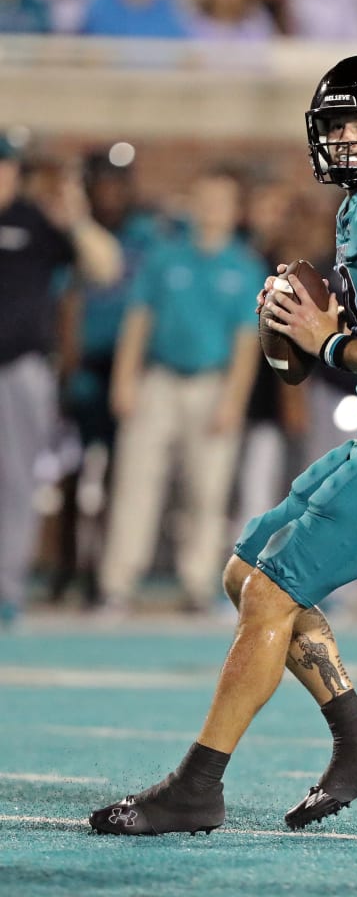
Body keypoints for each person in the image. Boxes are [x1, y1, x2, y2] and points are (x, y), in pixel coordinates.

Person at [89, 53, 357, 836]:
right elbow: (319, 356)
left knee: (273, 592)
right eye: (336, 125)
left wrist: (322, 337)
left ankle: (196, 786)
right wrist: (294, 328)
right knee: (246, 571)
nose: (345, 139)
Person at [97, 164, 262, 615]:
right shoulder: (165, 257)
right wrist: (124, 380)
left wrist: (233, 400)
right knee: (136, 482)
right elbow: (138, 320)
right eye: (204, 199)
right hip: (159, 382)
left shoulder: (244, 266)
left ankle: (198, 582)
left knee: (207, 491)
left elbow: (247, 341)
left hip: (212, 384)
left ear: (235, 210)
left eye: (220, 202)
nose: (211, 209)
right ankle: (118, 582)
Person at [0, 136, 122, 628]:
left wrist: (75, 220)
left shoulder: (35, 221)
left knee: (16, 481)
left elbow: (105, 268)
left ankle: (6, 589)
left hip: (21, 368)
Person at [50, 149, 167, 606]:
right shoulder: (72, 233)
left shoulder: (147, 234)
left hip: (128, 366)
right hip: (84, 365)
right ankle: (65, 566)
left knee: (123, 474)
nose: (111, 192)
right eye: (102, 183)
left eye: (118, 183)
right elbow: (65, 300)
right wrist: (66, 367)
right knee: (71, 471)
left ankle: (104, 571)